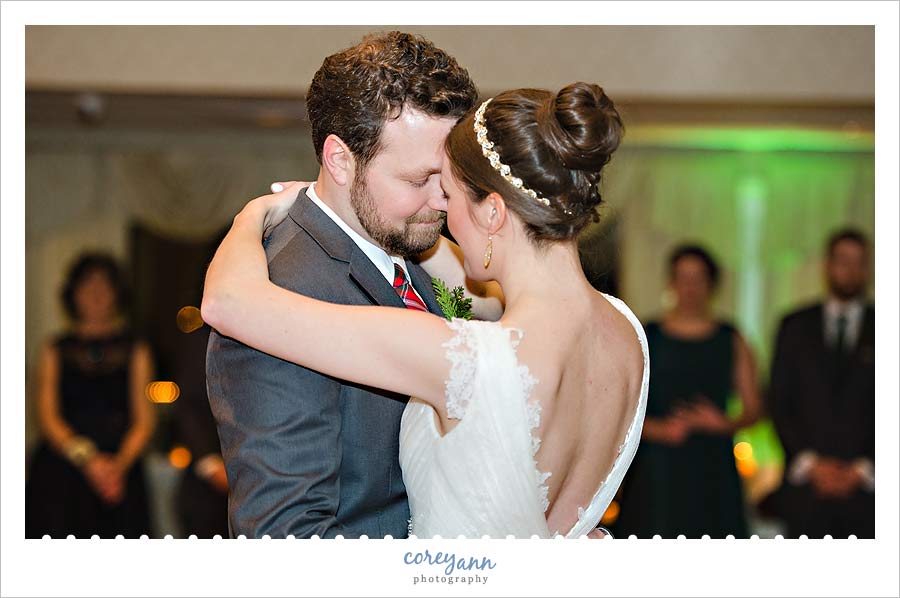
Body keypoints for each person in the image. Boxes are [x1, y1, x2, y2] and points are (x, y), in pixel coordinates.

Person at [202, 80, 648, 538]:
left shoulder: (460, 358)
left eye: (449, 194)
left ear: (493, 213)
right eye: (422, 182)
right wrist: (345, 202)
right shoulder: (627, 335)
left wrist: (254, 214)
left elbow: (226, 302)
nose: (439, 209)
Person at [204, 31, 490, 539]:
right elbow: (289, 537)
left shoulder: (412, 248)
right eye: (417, 180)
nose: (442, 201)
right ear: (340, 160)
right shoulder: (281, 290)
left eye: (448, 180)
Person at [613, 245, 762, 538]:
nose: (690, 288)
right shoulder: (646, 335)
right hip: (656, 469)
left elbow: (754, 409)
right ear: (671, 283)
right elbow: (619, 408)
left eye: (698, 279)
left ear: (712, 285)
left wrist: (722, 423)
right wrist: (657, 429)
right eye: (683, 278)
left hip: (713, 467)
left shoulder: (731, 339)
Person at [26, 253, 156, 538]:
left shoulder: (136, 349)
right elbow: (47, 416)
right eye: (88, 286)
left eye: (104, 286)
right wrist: (89, 461)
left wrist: (117, 467)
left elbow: (144, 420)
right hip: (64, 467)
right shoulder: (55, 349)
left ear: (117, 294)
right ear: (73, 294)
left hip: (121, 467)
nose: (96, 295)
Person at [767, 229, 874, 538]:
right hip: (806, 490)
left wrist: (864, 468)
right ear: (827, 265)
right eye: (843, 260)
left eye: (858, 262)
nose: (850, 270)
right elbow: (779, 399)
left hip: (870, 494)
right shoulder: (794, 326)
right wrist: (811, 463)